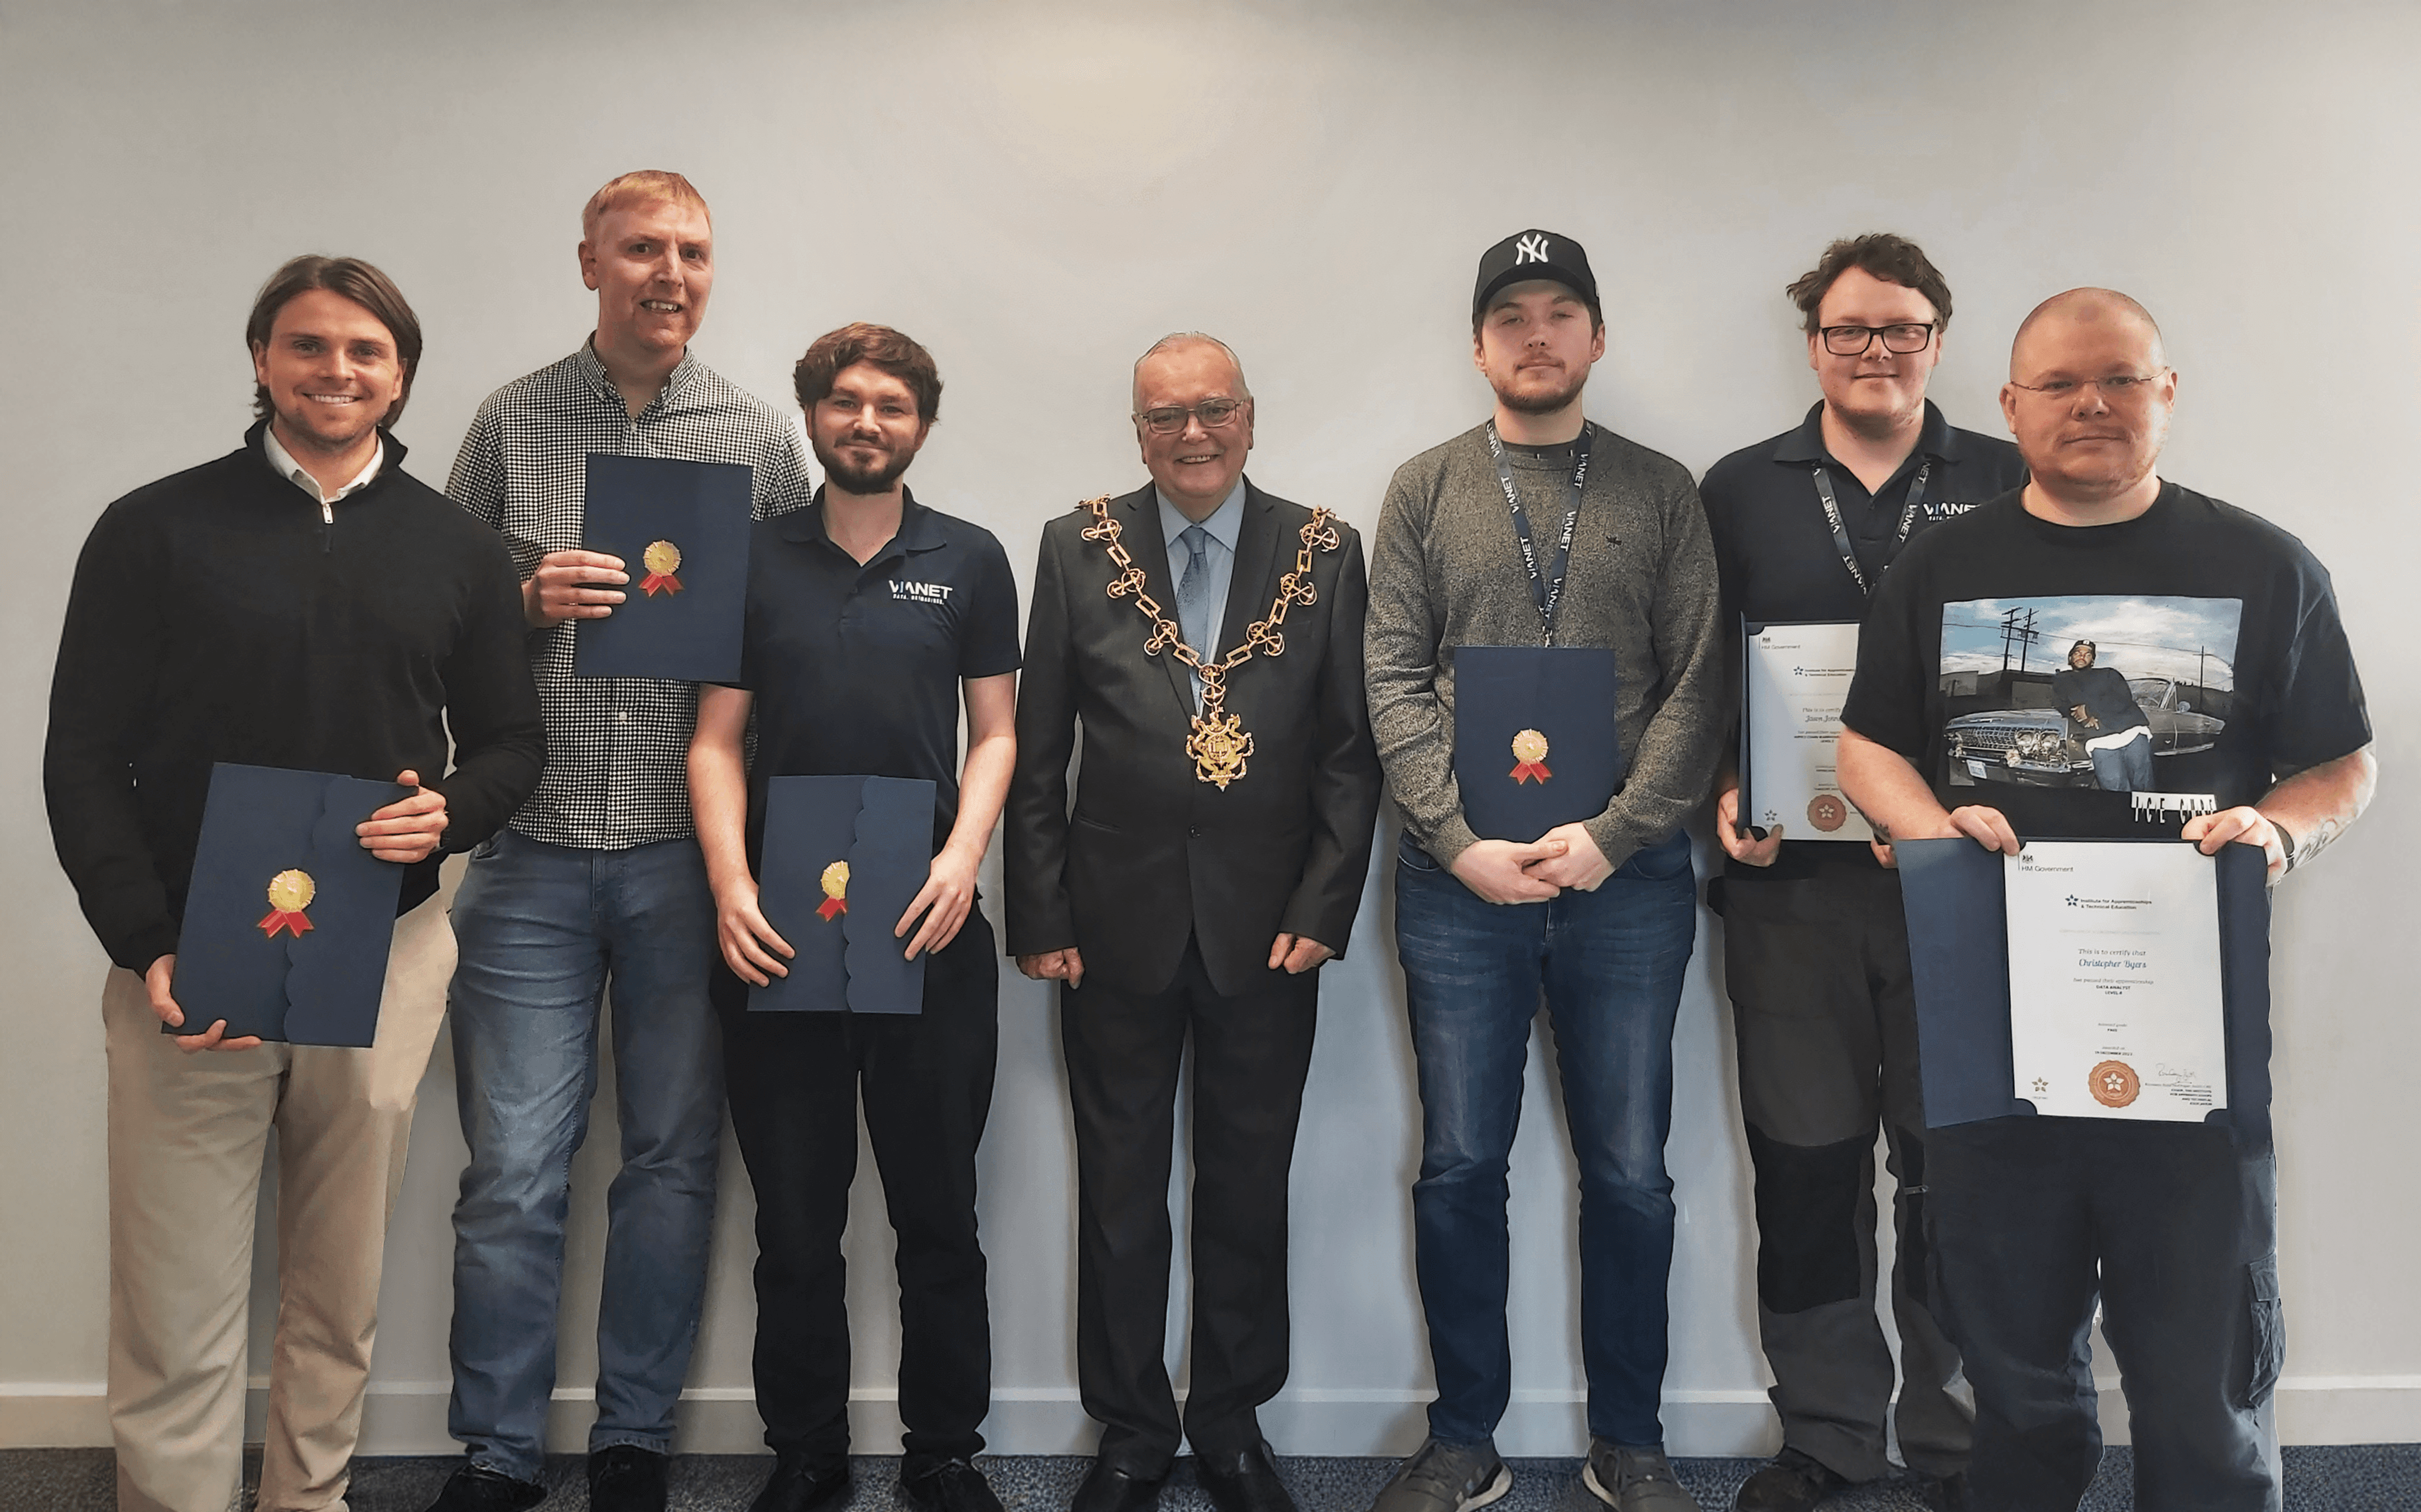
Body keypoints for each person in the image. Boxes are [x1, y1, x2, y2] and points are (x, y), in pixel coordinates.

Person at [1836, 289, 2375, 1512]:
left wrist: (2277, 830)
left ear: (2166, 394)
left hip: (2186, 1033)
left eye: (2121, 379)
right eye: (2060, 383)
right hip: (1992, 1023)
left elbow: (2342, 762)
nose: (2092, 404)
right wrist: (1927, 828)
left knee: (2199, 1370)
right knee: (2010, 1364)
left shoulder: (2264, 565)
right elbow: (1866, 746)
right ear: (2009, 403)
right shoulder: (1939, 567)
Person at [42, 256, 544, 1512]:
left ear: (401, 376)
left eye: (366, 351)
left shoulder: (459, 547)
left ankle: (309, 1500)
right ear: (261, 360)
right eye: (309, 345)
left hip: (382, 956)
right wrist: (146, 940)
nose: (337, 370)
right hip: (187, 963)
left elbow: (509, 744)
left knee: (337, 1292)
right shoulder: (152, 529)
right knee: (174, 1307)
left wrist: (447, 814)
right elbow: (83, 756)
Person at [429, 170, 815, 1512]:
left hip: (685, 856)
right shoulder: (508, 420)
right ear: (588, 261)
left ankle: (635, 1436)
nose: (670, 271)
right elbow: (427, 615)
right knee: (511, 1172)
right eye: (642, 247)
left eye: (692, 251)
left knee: (669, 1160)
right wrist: (519, 596)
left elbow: (796, 636)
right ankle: (494, 1450)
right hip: (528, 852)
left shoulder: (758, 438)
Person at [1362, 231, 1723, 1512]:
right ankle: (1465, 1437)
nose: (1535, 333)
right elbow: (1391, 675)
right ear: (1478, 346)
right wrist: (1458, 840)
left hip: (1626, 885)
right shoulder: (1423, 488)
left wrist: (1612, 835)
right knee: (1460, 1165)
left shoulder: (1662, 490)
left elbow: (1697, 684)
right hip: (1457, 887)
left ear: (1596, 337)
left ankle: (1630, 1439)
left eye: (1560, 311)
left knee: (1630, 1173)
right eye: (1509, 314)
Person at [1004, 333, 1381, 1512]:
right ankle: (1130, 1430)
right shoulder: (1076, 548)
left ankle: (1227, 1421)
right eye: (1164, 415)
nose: (1192, 433)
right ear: (1138, 433)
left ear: (1250, 417)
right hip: (1109, 930)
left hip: (1270, 932)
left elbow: (1348, 752)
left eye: (1213, 409)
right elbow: (1036, 749)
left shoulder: (1324, 551)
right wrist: (1040, 909)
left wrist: (1325, 903)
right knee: (1119, 1192)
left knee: (1246, 1186)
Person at [1697, 233, 2025, 1512]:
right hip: (1791, 894)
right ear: (1813, 345)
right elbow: (1699, 672)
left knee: (1957, 1174)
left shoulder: (2004, 477)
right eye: (1848, 329)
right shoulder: (1740, 488)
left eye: (1900, 328)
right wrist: (1729, 787)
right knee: (1805, 1168)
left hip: (1964, 892)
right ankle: (1829, 1433)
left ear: (1937, 340)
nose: (1875, 350)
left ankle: (1955, 1441)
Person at [689, 324, 1021, 1512]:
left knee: (939, 1214)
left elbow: (997, 732)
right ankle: (807, 1453)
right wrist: (730, 885)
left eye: (891, 404)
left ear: (920, 424)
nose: (866, 421)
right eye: (844, 401)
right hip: (776, 929)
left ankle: (944, 1451)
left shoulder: (970, 558)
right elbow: (715, 740)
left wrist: (964, 857)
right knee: (794, 1221)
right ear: (813, 416)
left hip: (926, 925)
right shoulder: (749, 558)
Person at [2047, 640, 2152, 791]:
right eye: (2077, 653)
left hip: (2132, 732)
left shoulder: (2109, 674)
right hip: (2099, 739)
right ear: (2070, 658)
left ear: (2093, 661)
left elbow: (2123, 699)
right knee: (2113, 788)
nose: (2082, 657)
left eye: (2087, 654)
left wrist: (2090, 710)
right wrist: (2084, 719)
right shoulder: (2061, 680)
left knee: (2142, 786)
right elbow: (2063, 706)